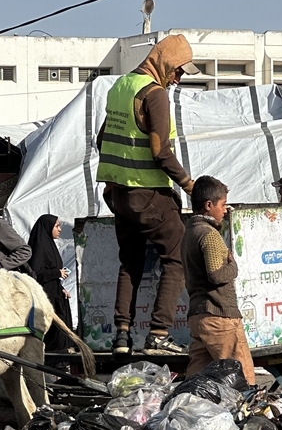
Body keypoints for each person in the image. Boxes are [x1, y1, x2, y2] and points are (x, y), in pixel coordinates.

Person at [95, 34, 200, 355]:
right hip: (148, 193)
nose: (178, 79)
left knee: (130, 263)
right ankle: (158, 334)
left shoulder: (120, 87)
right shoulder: (155, 95)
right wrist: (189, 185)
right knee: (177, 255)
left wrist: (116, 178)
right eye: (178, 71)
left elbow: (102, 139)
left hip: (117, 194)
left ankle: (122, 336)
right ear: (165, 63)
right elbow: (160, 152)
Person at [182, 176, 255, 385]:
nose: (225, 210)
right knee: (242, 379)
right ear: (208, 205)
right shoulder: (209, 235)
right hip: (219, 317)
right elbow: (215, 274)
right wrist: (233, 266)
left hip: (198, 318)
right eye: (222, 204)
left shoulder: (189, 233)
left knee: (196, 382)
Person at [28, 214, 74, 352]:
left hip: (55, 293)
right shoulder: (39, 247)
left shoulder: (49, 245)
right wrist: (56, 273)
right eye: (57, 226)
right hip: (46, 296)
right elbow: (37, 273)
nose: (59, 229)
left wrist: (61, 288)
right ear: (48, 227)